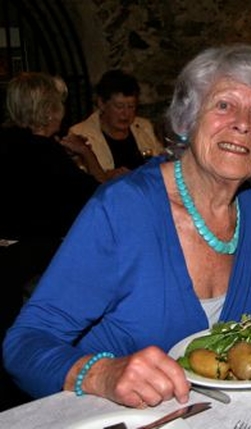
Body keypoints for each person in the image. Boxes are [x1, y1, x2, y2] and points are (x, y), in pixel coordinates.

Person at [3, 44, 251, 408]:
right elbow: (24, 344)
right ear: (190, 118)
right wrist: (102, 374)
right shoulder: (123, 208)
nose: (242, 123)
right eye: (223, 105)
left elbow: (247, 330)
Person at [0, 72, 109, 410]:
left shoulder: (6, 143)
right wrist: (87, 156)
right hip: (33, 265)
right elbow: (99, 199)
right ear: (50, 111)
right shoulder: (46, 155)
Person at [70, 69, 164, 174]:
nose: (125, 113)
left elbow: (160, 160)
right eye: (119, 106)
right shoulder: (81, 134)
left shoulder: (144, 127)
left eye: (131, 107)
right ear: (102, 104)